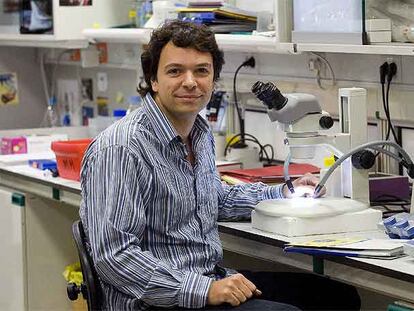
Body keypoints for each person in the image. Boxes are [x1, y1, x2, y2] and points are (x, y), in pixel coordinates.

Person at [79, 20, 361, 311]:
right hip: (156, 302)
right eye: (175, 71)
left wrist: (283, 193)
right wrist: (205, 290)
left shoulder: (198, 133)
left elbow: (213, 199)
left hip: (208, 277)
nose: (190, 82)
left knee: (338, 298)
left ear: (213, 79)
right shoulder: (121, 148)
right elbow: (114, 256)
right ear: (153, 80)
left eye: (201, 71)